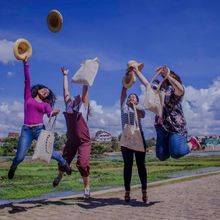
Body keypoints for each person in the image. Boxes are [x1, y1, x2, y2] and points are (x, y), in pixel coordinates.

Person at [8, 59, 72, 180]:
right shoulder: (28, 98)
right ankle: (13, 166)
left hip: (39, 129)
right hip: (26, 130)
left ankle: (65, 164)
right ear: (38, 90)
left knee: (50, 152)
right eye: (44, 90)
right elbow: (27, 80)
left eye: (47, 93)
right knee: (20, 157)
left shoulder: (45, 105)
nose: (45, 92)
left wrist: (54, 112)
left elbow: (49, 113)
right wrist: (25, 64)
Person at [133, 65, 201, 161]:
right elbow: (146, 83)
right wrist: (136, 71)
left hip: (175, 126)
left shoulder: (174, 91)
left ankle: (192, 143)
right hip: (161, 127)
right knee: (161, 156)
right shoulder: (159, 89)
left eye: (171, 77)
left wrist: (167, 75)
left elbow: (181, 90)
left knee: (177, 153)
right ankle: (172, 145)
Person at [52, 67, 91, 199]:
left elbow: (85, 89)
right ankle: (59, 176)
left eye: (80, 97)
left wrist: (87, 73)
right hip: (71, 141)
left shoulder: (84, 107)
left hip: (84, 141)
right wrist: (65, 75)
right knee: (63, 162)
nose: (78, 96)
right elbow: (65, 90)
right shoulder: (68, 105)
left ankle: (86, 187)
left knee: (83, 164)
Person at [120, 66, 148, 203]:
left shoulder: (139, 108)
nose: (131, 98)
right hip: (126, 139)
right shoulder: (123, 108)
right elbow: (124, 91)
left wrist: (134, 106)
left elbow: (143, 114)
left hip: (139, 138)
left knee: (141, 165)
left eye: (134, 97)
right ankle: (127, 191)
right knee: (128, 165)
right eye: (130, 97)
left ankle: (144, 191)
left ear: (137, 101)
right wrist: (128, 76)